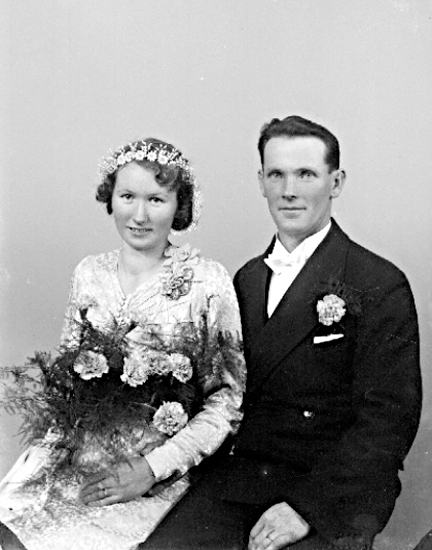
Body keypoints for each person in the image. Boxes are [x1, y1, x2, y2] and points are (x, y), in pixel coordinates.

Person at [140, 116, 422, 550]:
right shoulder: (247, 280)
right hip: (240, 480)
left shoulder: (379, 283)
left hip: (331, 492)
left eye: (306, 174)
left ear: (336, 182)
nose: (289, 190)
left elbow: (387, 423)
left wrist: (306, 508)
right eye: (277, 175)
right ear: (261, 182)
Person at [0, 138, 246, 550]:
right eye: (128, 196)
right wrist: (46, 458)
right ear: (110, 198)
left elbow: (226, 404)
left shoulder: (208, 282)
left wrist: (152, 468)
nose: (139, 215)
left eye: (156, 200)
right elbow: (68, 388)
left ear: (179, 206)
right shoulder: (89, 274)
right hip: (77, 457)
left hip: (152, 472)